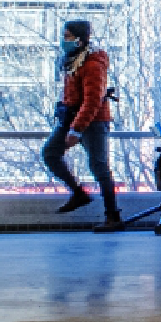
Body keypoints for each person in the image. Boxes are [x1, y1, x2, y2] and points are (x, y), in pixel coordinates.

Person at [43, 19, 124, 231]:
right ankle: (78, 193)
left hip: (93, 122)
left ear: (79, 40)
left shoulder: (93, 64)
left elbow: (92, 101)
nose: (64, 40)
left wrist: (76, 130)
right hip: (71, 117)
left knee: (99, 167)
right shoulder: (73, 60)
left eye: (67, 36)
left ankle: (113, 216)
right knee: (50, 153)